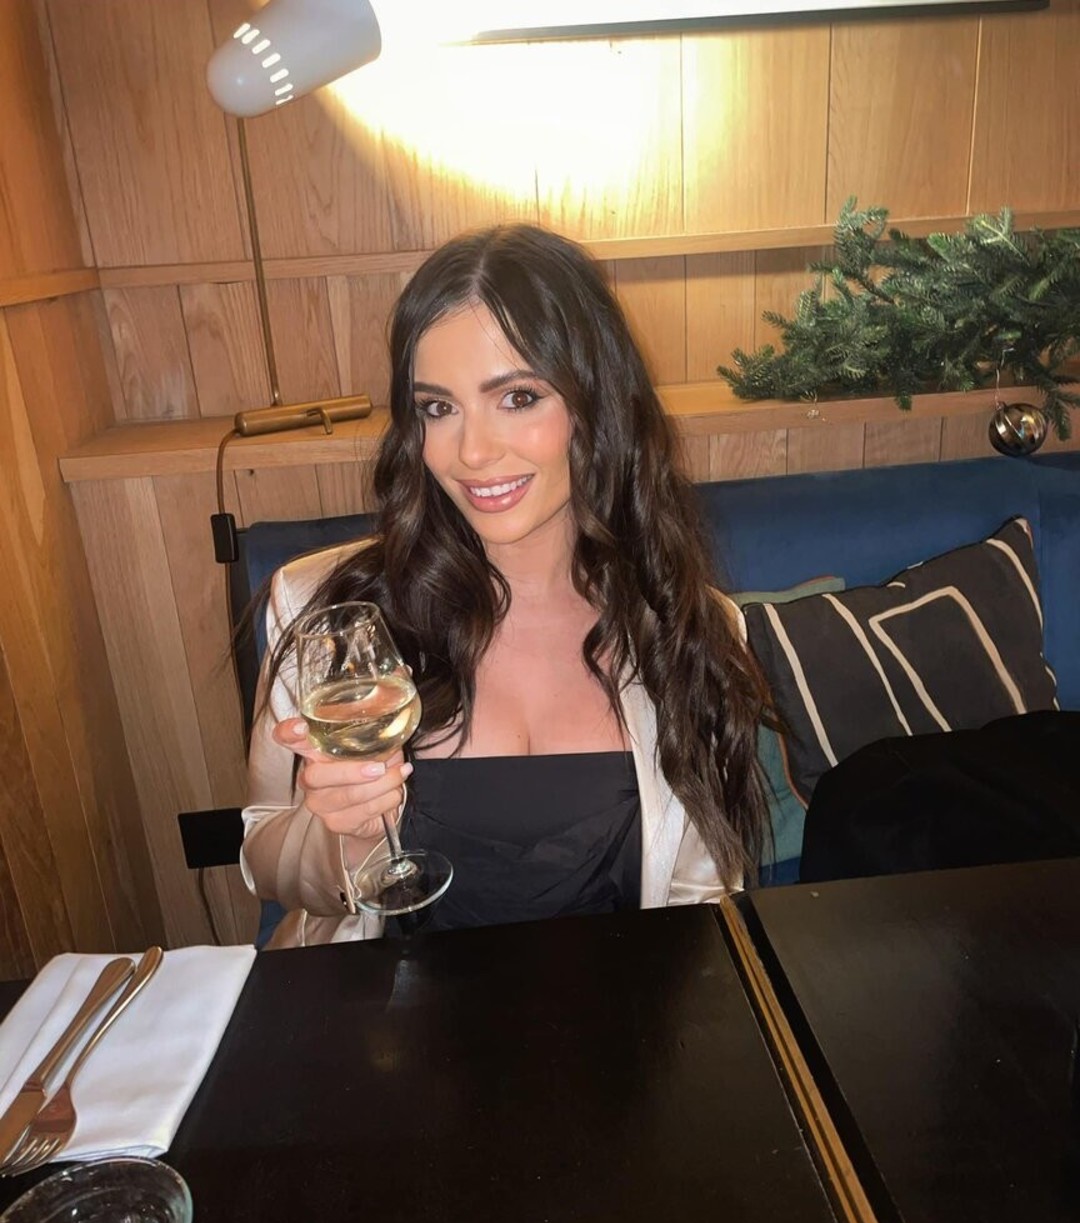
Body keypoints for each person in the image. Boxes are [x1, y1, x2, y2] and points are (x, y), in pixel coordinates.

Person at [241, 223, 770, 946]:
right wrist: (343, 838)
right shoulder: (327, 608)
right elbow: (264, 858)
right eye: (438, 408)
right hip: (381, 1009)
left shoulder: (684, 623)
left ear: (597, 404)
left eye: (518, 397)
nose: (472, 452)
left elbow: (701, 899)